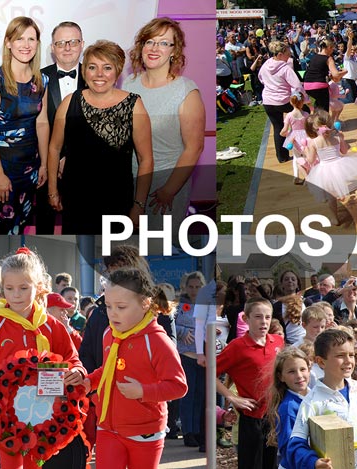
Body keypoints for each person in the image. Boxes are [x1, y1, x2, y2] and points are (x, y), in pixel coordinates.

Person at [0, 248, 86, 468]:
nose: (16, 294)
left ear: (38, 287)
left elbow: (72, 358)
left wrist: (77, 372)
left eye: (23, 288)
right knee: (11, 464)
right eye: (9, 288)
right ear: (2, 289)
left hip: (44, 412)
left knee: (36, 464)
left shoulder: (52, 325)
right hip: (6, 415)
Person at [83, 267, 187, 468]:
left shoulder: (157, 341)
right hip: (107, 426)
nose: (113, 313)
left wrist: (143, 391)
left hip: (145, 431)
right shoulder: (109, 333)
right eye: (109, 306)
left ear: (145, 303)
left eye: (121, 307)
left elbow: (178, 386)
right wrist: (90, 381)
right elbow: (107, 368)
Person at [47, 40, 154, 234]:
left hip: (118, 201)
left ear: (117, 71)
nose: (99, 74)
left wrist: (139, 204)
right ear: (85, 70)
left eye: (107, 68)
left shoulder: (134, 104)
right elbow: (54, 148)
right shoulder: (69, 102)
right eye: (92, 67)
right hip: (76, 200)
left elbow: (145, 159)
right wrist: (53, 190)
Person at [122, 18, 204, 228]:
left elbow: (194, 148)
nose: (154, 48)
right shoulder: (130, 84)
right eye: (149, 41)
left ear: (174, 51)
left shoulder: (186, 91)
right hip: (128, 184)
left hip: (164, 188)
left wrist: (169, 190)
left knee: (163, 251)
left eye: (163, 43)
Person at [0, 17, 48, 234]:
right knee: (1, 229)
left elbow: (42, 123)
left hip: (30, 169)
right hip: (3, 169)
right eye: (20, 38)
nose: (26, 44)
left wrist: (44, 164)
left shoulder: (41, 80)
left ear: (37, 43)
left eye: (31, 38)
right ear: (8, 42)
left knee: (23, 224)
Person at [287, 328, 357, 469]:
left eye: (351, 355)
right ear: (321, 362)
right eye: (341, 355)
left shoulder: (356, 388)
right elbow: (296, 444)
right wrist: (314, 462)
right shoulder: (312, 402)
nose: (348, 361)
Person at [216, 298, 284, 468]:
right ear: (246, 319)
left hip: (275, 415)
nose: (264, 322)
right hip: (252, 416)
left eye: (267, 317)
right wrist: (232, 397)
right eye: (258, 317)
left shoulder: (277, 341)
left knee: (272, 463)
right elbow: (208, 373)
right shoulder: (237, 346)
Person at [37, 21, 86, 234]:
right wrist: (51, 161)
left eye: (73, 42)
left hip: (85, 171)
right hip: (45, 169)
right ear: (52, 47)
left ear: (82, 44)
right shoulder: (37, 78)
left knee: (80, 231)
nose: (67, 47)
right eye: (61, 42)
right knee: (44, 229)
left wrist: (72, 156)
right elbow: (35, 124)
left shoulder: (98, 77)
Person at [300, 109, 357, 226]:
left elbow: (311, 160)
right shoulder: (337, 138)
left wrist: (306, 150)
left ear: (315, 128)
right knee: (339, 185)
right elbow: (344, 151)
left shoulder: (314, 142)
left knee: (330, 196)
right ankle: (340, 195)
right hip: (340, 165)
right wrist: (342, 138)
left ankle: (335, 218)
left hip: (325, 169)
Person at [174, 271, 206, 448]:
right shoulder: (180, 305)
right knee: (188, 396)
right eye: (191, 286)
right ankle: (188, 432)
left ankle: (197, 431)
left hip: (203, 357)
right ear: (185, 287)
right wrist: (183, 332)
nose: (194, 290)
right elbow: (170, 323)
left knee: (200, 396)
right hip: (186, 355)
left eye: (197, 287)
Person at [266, 347, 310, 469]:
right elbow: (288, 447)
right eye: (292, 372)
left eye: (303, 369)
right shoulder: (288, 407)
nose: (299, 375)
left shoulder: (315, 398)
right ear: (281, 377)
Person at [302, 39, 345, 111]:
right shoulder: (328, 58)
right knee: (323, 111)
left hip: (307, 87)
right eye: (332, 49)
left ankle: (314, 122)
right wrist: (345, 71)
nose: (332, 51)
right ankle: (323, 122)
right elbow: (336, 75)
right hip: (319, 87)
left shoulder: (314, 57)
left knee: (315, 109)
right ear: (329, 48)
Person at [280, 92, 311, 184]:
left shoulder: (289, 115)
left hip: (294, 137)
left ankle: (296, 176)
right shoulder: (305, 114)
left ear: (291, 102)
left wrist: (283, 134)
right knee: (306, 156)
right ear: (302, 102)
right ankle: (307, 176)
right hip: (305, 137)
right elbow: (309, 126)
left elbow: (284, 130)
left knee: (296, 157)